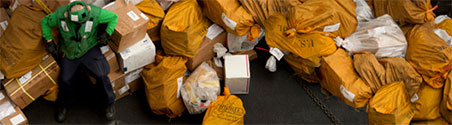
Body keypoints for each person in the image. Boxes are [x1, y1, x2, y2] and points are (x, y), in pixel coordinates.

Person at [41, 1, 118, 122]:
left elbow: (114, 17)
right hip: (69, 51)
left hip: (89, 48)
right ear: (68, 15)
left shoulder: (95, 13)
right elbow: (44, 22)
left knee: (102, 75)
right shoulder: (60, 15)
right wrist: (49, 40)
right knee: (65, 79)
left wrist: (107, 33)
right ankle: (64, 104)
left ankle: (109, 103)